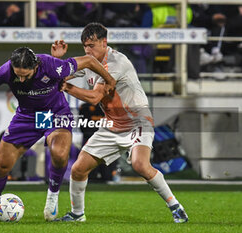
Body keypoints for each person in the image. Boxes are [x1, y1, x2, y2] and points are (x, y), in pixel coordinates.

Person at [0, 46, 116, 222]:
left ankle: (52, 198)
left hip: (55, 113)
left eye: (25, 75)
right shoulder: (6, 70)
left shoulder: (52, 65)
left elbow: (89, 61)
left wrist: (109, 80)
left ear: (36, 67)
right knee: (1, 166)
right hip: (27, 116)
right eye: (17, 75)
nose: (20, 79)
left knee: (59, 154)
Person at [51, 23, 188, 223]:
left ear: (104, 42)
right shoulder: (89, 62)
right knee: (78, 168)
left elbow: (95, 98)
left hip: (137, 121)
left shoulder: (116, 62)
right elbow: (62, 73)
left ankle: (175, 206)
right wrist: (57, 61)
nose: (88, 50)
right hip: (112, 124)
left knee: (140, 164)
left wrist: (68, 88)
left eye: (92, 45)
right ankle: (77, 214)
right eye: (85, 46)